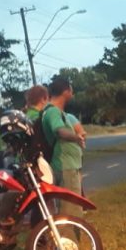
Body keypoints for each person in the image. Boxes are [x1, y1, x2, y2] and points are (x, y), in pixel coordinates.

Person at [41, 77, 86, 216]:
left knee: (74, 209)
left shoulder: (57, 112)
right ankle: (67, 237)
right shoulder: (53, 111)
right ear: (66, 91)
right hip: (65, 167)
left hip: (70, 166)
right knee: (70, 211)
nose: (72, 93)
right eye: (71, 90)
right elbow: (59, 130)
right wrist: (76, 137)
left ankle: (70, 236)